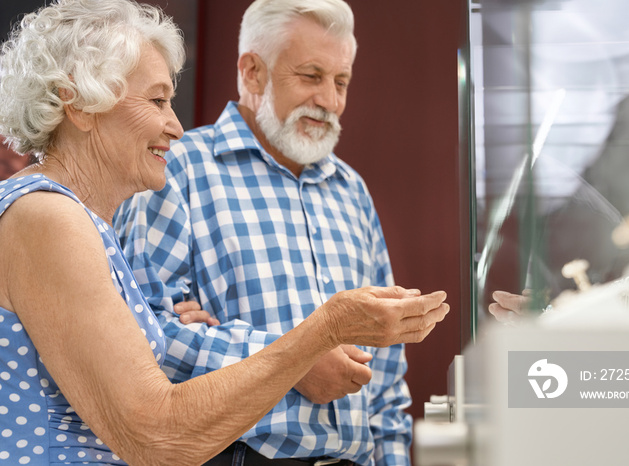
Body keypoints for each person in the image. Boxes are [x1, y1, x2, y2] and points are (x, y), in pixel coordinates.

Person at [0, 1, 450, 464]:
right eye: (157, 100)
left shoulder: (78, 219)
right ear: (80, 106)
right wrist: (317, 335)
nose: (175, 125)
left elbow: (147, 362)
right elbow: (157, 433)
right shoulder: (48, 217)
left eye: (341, 82)